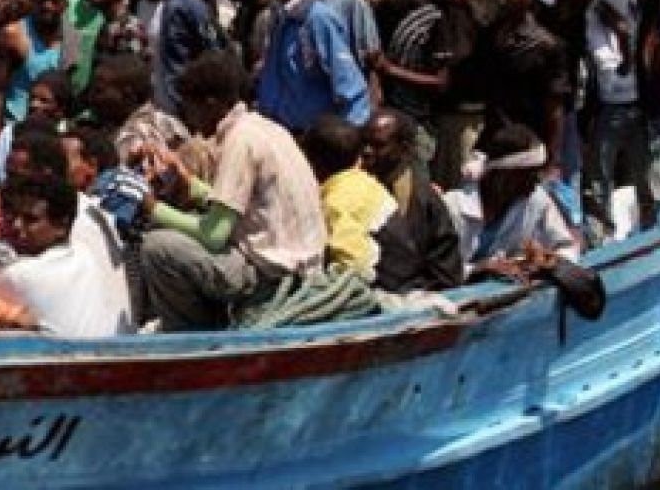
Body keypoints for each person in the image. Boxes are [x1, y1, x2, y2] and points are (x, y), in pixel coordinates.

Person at [140, 51, 328, 331]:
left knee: (157, 247)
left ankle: (191, 337)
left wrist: (153, 208)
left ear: (211, 103)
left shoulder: (240, 141)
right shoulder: (266, 128)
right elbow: (243, 204)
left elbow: (214, 235)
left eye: (189, 107)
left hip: (273, 273)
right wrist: (189, 185)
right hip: (304, 260)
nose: (187, 118)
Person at [563, 0, 652, 235]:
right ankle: (609, 229)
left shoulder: (614, 12)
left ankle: (624, 227)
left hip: (621, 104)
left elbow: (627, 57)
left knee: (610, 173)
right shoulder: (600, 11)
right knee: (618, 173)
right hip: (613, 102)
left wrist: (624, 46)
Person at [0, 173, 134, 337]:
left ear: (62, 225)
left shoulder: (21, 275)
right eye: (15, 216)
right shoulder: (84, 254)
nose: (16, 225)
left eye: (30, 219)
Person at [258, 0, 371, 132]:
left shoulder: (318, 19)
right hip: (282, 130)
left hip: (313, 135)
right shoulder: (283, 18)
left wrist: (347, 138)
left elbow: (349, 85)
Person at [426, 0, 497, 188]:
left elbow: (495, 30)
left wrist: (469, 4)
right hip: (438, 102)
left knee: (467, 182)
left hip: (472, 104)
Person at [359, 109, 464, 291]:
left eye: (378, 145)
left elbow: (446, 273)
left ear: (405, 148)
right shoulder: (351, 190)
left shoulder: (427, 201)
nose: (367, 151)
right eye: (364, 143)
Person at [451, 124, 579, 272]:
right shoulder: (454, 207)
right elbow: (439, 271)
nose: (535, 183)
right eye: (529, 176)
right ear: (504, 176)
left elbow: (567, 248)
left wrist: (549, 259)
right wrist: (478, 268)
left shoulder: (536, 199)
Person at [485, 0, 568, 164]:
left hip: (529, 144)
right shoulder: (491, 34)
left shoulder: (546, 45)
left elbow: (555, 109)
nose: (502, 1)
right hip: (495, 139)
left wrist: (552, 160)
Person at [302, 114, 399, 285]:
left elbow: (355, 265)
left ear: (315, 163)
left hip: (385, 285)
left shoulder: (336, 203)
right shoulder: (367, 183)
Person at [132, 0, 220, 114]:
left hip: (180, 105)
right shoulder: (137, 5)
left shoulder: (189, 6)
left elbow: (213, 52)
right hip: (148, 108)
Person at [372, 0, 446, 142]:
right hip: (381, 118)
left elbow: (441, 82)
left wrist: (391, 70)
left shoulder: (432, 18)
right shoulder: (378, 10)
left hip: (417, 121)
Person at [0, 0, 66, 123]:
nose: (47, 6)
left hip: (53, 125)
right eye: (42, 0)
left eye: (55, 2)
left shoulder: (72, 38)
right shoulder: (14, 33)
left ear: (65, 5)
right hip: (16, 121)